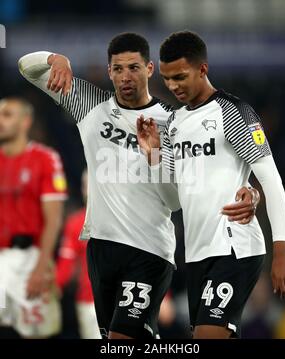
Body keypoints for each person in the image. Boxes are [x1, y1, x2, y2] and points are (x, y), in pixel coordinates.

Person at [18, 33, 258, 339]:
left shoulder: (173, 122)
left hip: (149, 251)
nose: (125, 76)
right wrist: (55, 59)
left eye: (133, 67)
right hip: (101, 248)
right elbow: (27, 67)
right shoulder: (88, 105)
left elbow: (177, 199)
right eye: (118, 69)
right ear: (109, 72)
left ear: (149, 69)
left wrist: (251, 192)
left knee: (122, 341)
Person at [137, 30, 285, 339]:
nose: (173, 86)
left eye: (181, 77)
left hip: (233, 247)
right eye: (168, 78)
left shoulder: (232, 112)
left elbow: (270, 178)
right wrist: (155, 154)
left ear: (203, 69)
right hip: (197, 254)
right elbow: (174, 200)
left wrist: (282, 248)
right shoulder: (175, 123)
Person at [0, 97, 67, 338]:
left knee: (37, 334)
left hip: (30, 258)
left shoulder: (45, 159)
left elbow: (54, 219)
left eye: (7, 115)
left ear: (25, 121)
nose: (1, 121)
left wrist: (41, 267)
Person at [56, 169, 99, 339]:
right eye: (84, 185)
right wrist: (51, 289)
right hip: (91, 303)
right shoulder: (76, 223)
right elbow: (64, 269)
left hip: (126, 302)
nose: (87, 190)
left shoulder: (127, 220)